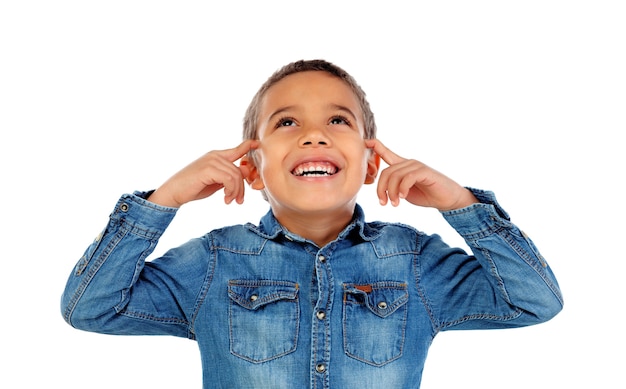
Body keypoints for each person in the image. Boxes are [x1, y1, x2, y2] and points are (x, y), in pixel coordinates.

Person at [61, 59, 563, 388]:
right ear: (252, 168)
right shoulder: (213, 262)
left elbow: (534, 300)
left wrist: (461, 205)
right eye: (287, 122)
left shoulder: (415, 263)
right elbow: (91, 308)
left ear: (370, 164)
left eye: (338, 121)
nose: (314, 136)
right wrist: (162, 200)